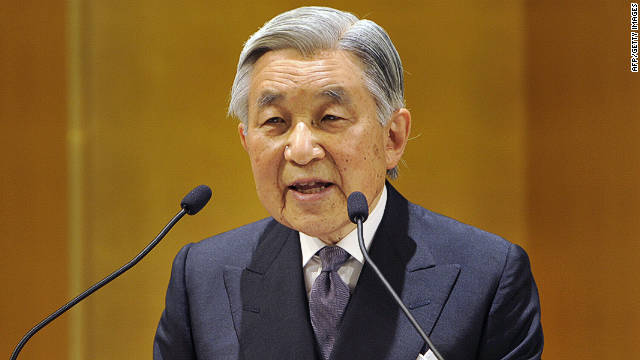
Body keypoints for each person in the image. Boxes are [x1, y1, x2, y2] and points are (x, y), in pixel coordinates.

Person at [154, 6, 543, 360]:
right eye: (275, 122)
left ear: (392, 138)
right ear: (246, 141)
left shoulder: (486, 277)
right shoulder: (201, 278)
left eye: (331, 118)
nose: (301, 150)